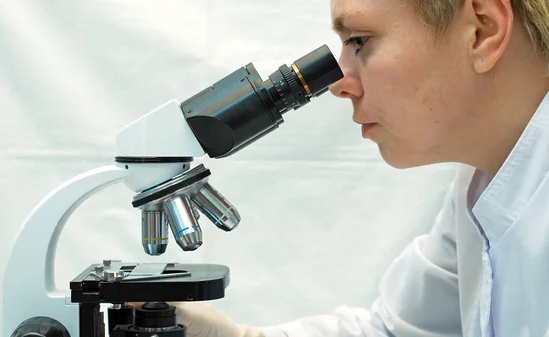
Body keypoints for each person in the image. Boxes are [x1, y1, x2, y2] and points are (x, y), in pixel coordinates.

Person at [132, 0, 549, 335]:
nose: (338, 82)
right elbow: (394, 331)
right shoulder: (479, 189)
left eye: (361, 41)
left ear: (482, 30)